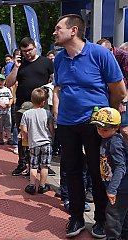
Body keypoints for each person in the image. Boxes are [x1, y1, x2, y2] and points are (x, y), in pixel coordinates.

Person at [52, 14, 125, 238]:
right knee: (72, 171)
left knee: (98, 171)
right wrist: (56, 114)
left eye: (58, 28)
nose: (54, 33)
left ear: (73, 30)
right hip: (66, 124)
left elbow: (119, 91)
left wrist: (107, 119)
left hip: (94, 125)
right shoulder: (59, 59)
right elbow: (59, 89)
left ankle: (101, 220)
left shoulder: (100, 54)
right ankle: (76, 218)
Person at [5, 37, 54, 176]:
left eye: (29, 50)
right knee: (23, 135)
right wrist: (16, 67)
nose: (27, 53)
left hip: (42, 105)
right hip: (22, 106)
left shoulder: (46, 62)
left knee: (43, 134)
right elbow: (9, 83)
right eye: (24, 51)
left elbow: (55, 80)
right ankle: (22, 162)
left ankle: (43, 164)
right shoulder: (19, 64)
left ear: (35, 47)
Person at [91, 107, 128, 239]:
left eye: (105, 129)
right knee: (121, 220)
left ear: (116, 127)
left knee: (113, 219)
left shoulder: (115, 142)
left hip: (119, 188)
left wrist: (112, 189)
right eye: (98, 128)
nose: (100, 132)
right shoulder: (107, 138)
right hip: (116, 187)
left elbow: (120, 166)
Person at [20, 88, 54, 195]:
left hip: (34, 143)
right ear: (43, 102)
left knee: (33, 165)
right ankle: (42, 186)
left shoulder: (26, 114)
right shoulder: (47, 113)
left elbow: (24, 130)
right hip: (46, 142)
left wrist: (26, 139)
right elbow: (51, 128)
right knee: (44, 165)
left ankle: (32, 185)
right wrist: (52, 137)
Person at [97, 38, 128, 144]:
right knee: (107, 128)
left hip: (123, 96)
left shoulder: (123, 56)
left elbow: (125, 81)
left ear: (110, 50)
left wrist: (123, 101)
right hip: (109, 96)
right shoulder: (100, 58)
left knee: (124, 129)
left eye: (103, 53)